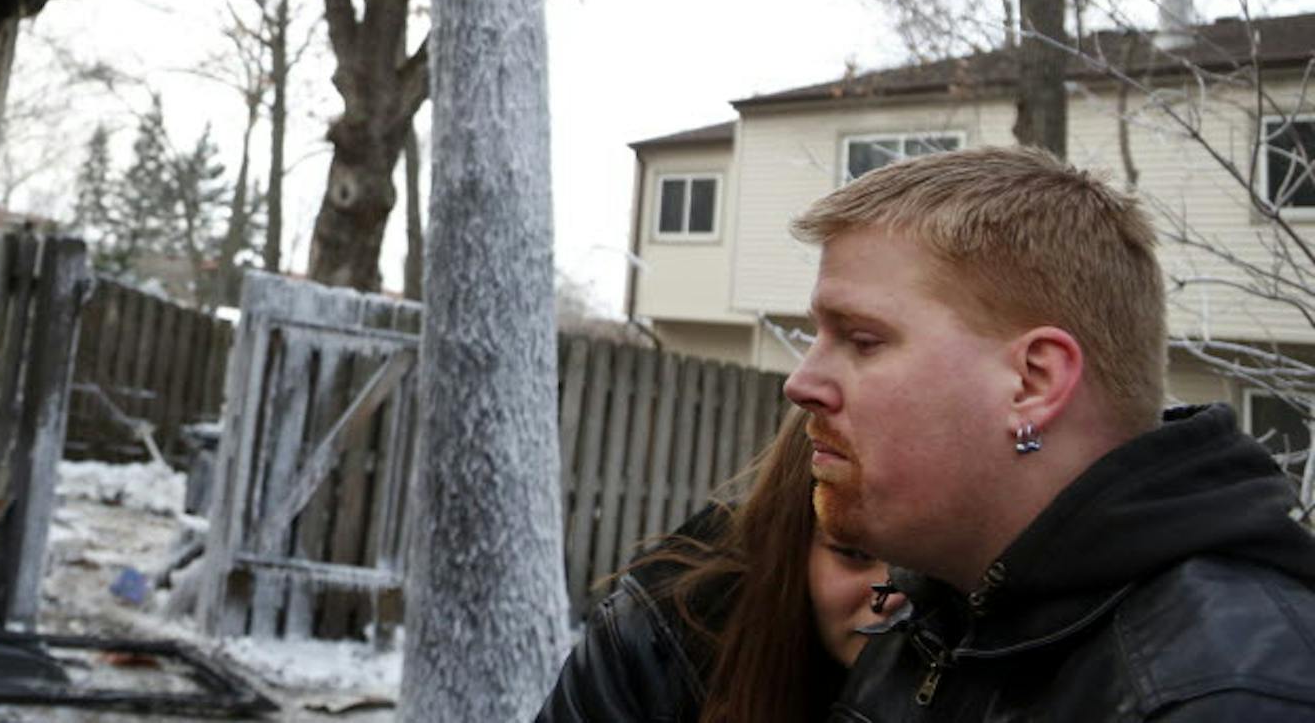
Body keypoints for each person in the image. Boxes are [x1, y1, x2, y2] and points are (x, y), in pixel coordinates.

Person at [783, 145, 1315, 720]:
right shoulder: (934, 623)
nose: (802, 382)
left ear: (1034, 381)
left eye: (862, 340)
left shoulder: (1229, 694)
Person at [534, 408, 897, 722]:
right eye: (855, 554)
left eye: (925, 568)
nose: (894, 592)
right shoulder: (656, 650)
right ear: (790, 545)